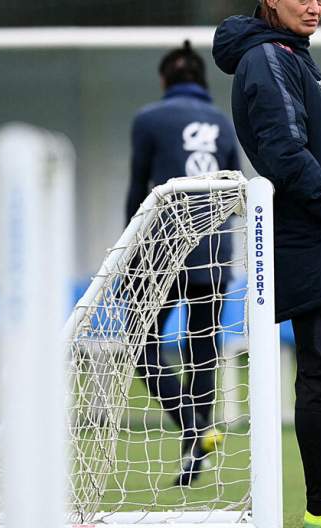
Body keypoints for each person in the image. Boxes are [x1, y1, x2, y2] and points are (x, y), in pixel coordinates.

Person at [213, 0, 321, 528]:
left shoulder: (289, 53)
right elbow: (283, 150)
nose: (314, 5)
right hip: (317, 241)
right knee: (320, 374)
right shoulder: (268, 57)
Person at [126, 40, 242, 485]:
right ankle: (196, 455)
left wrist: (128, 255)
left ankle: (195, 429)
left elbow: (138, 190)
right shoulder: (223, 123)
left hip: (161, 252)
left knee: (142, 347)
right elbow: (233, 188)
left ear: (164, 81)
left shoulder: (149, 119)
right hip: (215, 254)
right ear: (202, 82)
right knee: (202, 353)